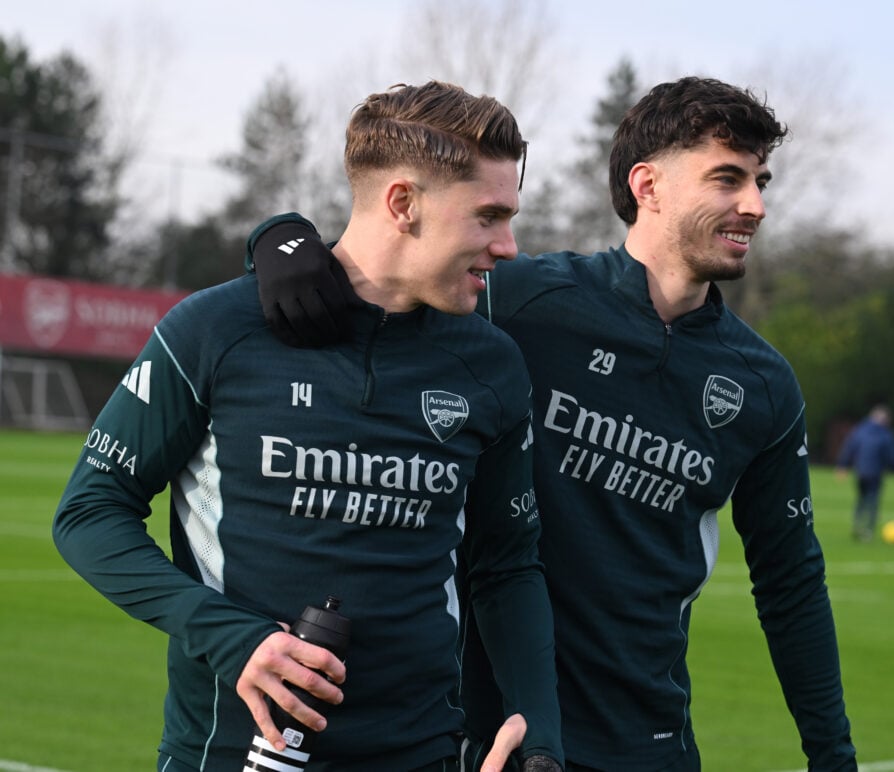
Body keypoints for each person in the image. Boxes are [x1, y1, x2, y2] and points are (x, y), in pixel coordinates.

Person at [249, 76, 857, 770]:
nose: (755, 205)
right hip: (491, 737)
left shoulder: (764, 385)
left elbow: (792, 585)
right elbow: (386, 263)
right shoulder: (517, 300)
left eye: (760, 181)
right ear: (648, 186)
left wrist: (832, 756)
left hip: (648, 743)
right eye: (728, 179)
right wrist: (281, 241)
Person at [52, 81, 563, 772]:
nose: (507, 246)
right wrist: (233, 638)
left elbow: (507, 567)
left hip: (421, 757)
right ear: (403, 203)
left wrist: (540, 746)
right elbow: (88, 512)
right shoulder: (217, 329)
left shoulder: (492, 364)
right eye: (488, 216)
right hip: (234, 756)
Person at [836, 404, 894, 541]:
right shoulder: (886, 434)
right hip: (875, 473)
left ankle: (857, 524)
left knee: (861, 498)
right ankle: (868, 530)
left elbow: (849, 448)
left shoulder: (860, 430)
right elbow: (891, 454)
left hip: (860, 471)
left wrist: (843, 465)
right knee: (873, 501)